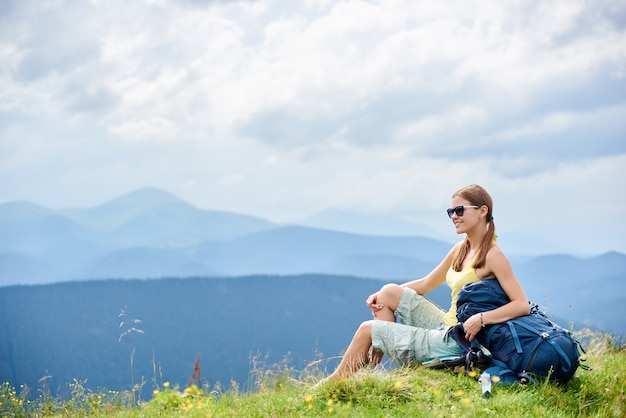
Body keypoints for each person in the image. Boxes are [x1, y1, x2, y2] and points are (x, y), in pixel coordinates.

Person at [326, 184, 530, 380]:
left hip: (459, 340)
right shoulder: (460, 249)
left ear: (482, 211)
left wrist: (482, 319)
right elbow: (424, 285)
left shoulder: (493, 255)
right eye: (451, 212)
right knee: (388, 292)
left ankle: (334, 383)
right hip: (446, 325)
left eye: (459, 210)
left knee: (367, 329)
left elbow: (521, 305)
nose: (454, 216)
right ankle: (374, 368)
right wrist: (378, 296)